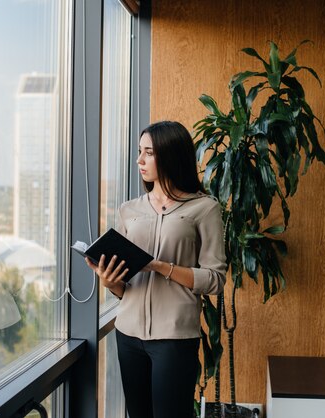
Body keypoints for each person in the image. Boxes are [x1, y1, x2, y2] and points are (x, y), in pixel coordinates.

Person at [84, 120, 227, 418]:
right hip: (128, 334)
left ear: (171, 154)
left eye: (148, 152)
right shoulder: (129, 210)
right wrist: (110, 281)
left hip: (174, 338)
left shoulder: (204, 208)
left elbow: (215, 279)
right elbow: (125, 288)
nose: (140, 160)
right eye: (139, 151)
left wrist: (162, 267)